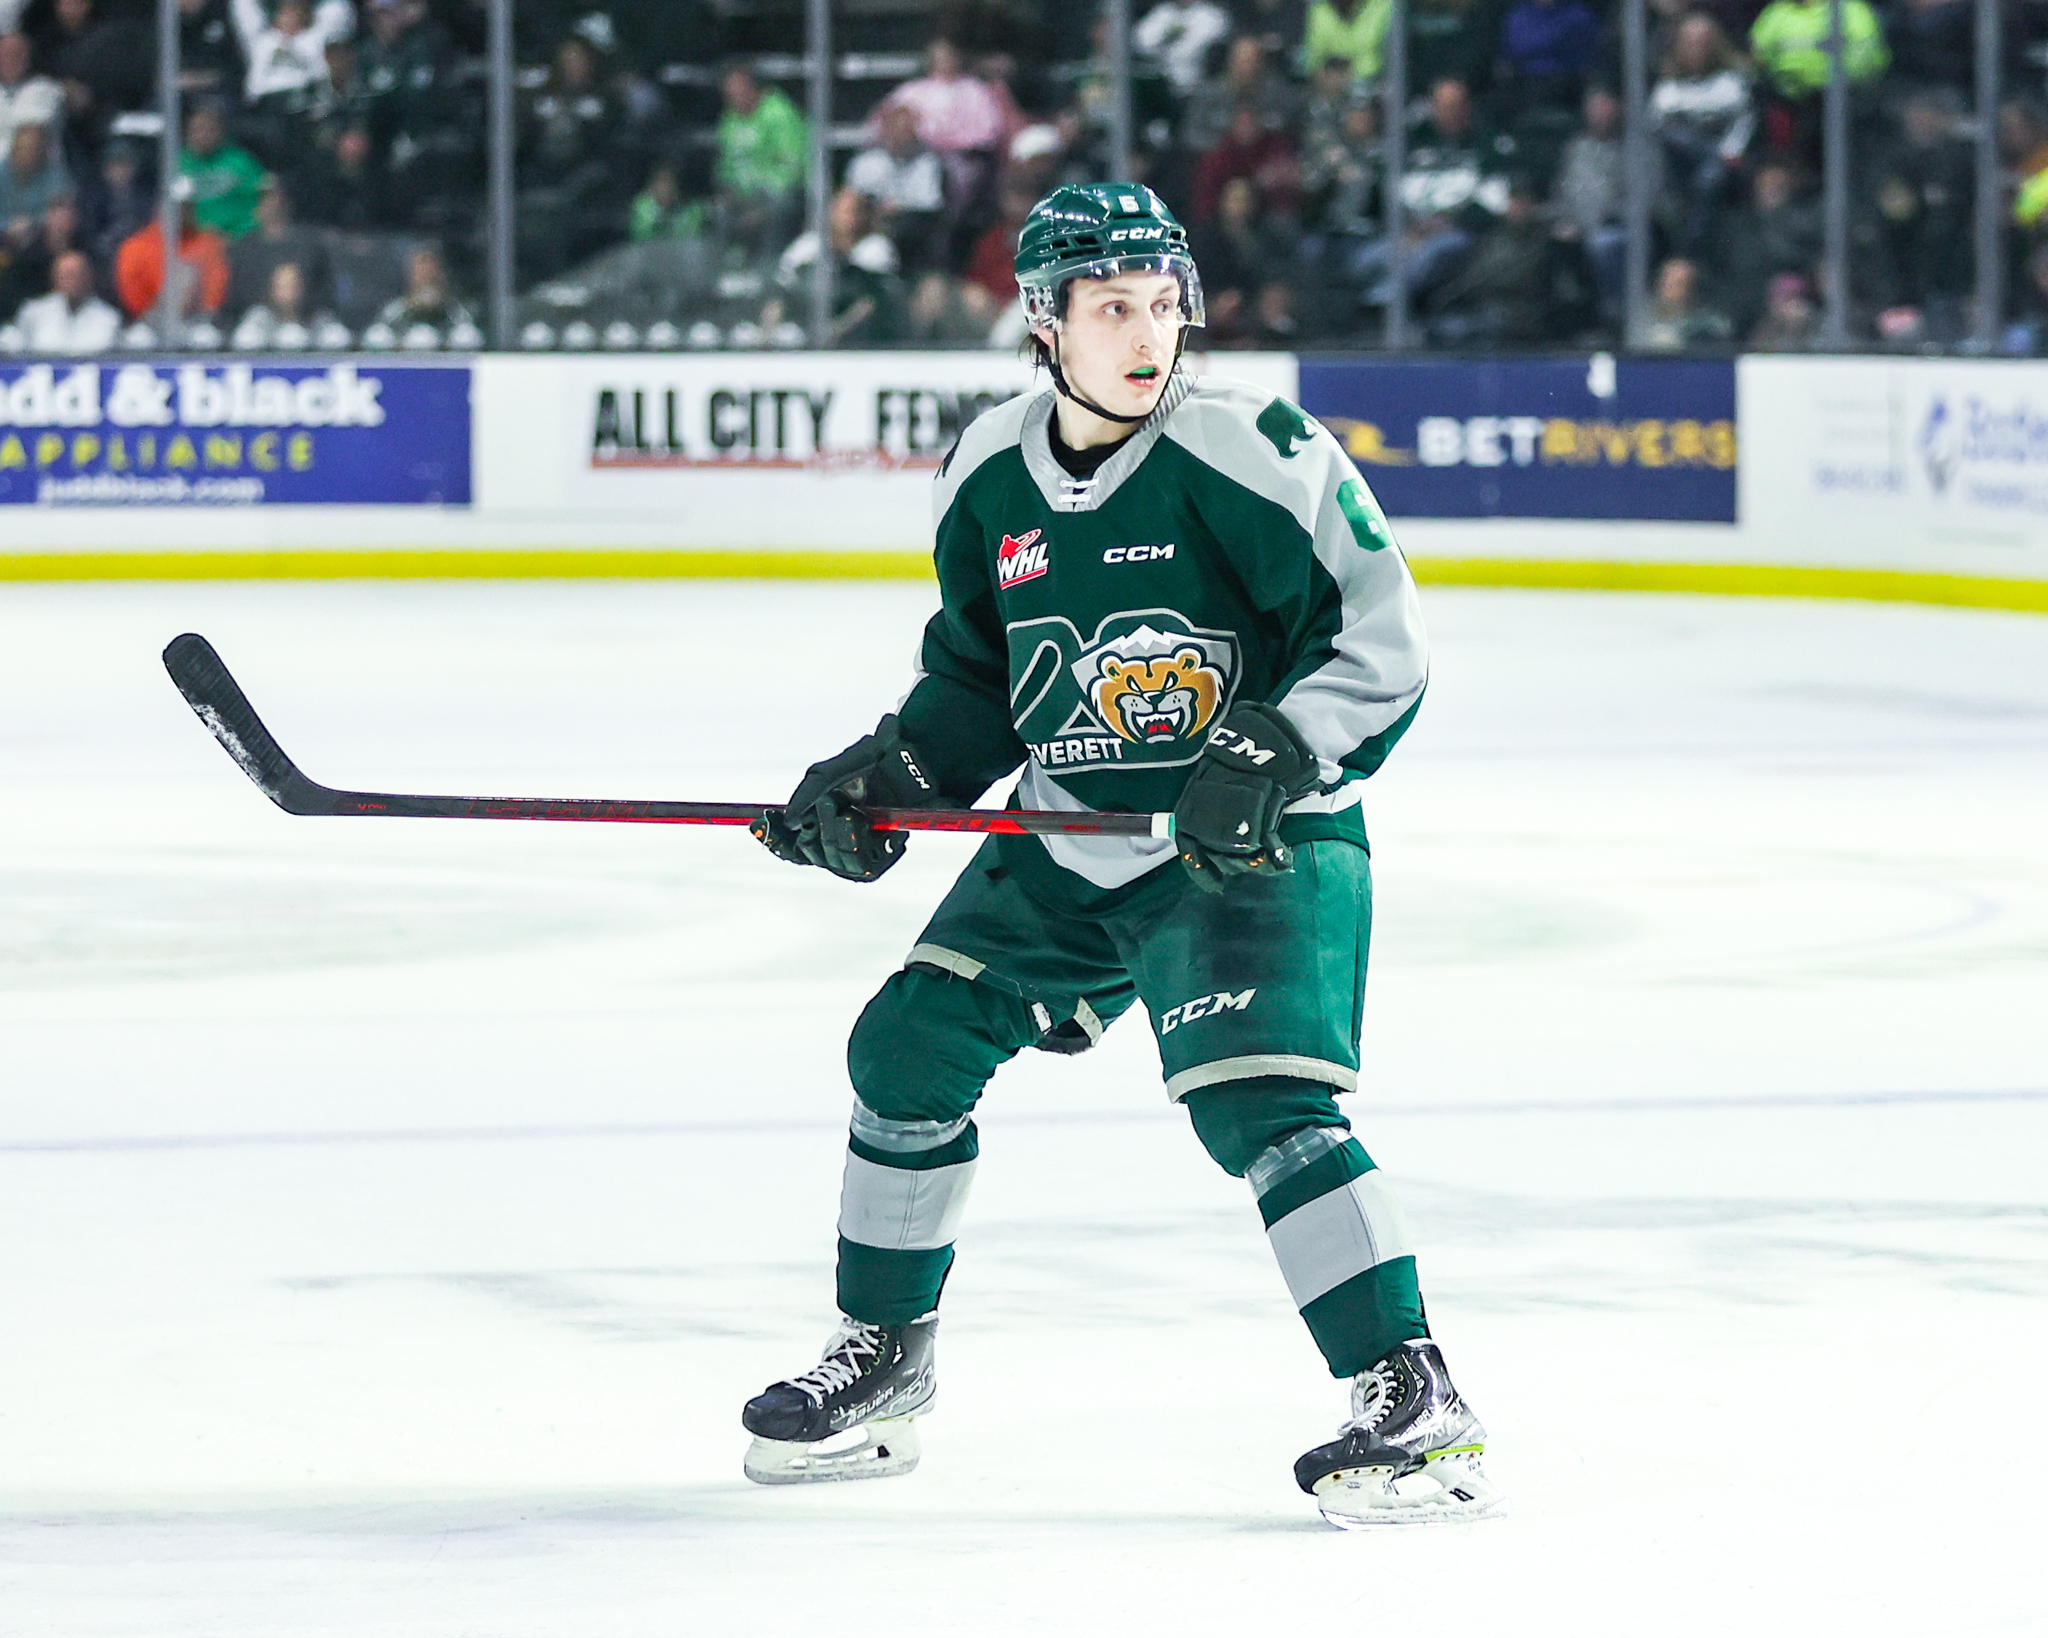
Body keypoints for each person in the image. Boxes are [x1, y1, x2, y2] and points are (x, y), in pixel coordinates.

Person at [740, 181, 1503, 1532]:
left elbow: (1383, 641)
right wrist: (891, 779)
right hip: (1072, 832)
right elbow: (980, 678)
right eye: (1111, 307)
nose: (1148, 333)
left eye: (1163, 302)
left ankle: (1413, 1391)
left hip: (1254, 837)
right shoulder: (987, 473)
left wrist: (1274, 750)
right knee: (904, 1049)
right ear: (1046, 323)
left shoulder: (1250, 447)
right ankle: (886, 1360)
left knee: (1259, 1105)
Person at [1648, 12, 1751, 254]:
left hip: (1721, 167)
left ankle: (1692, 248)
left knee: (1710, 175)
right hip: (1675, 168)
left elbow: (1743, 126)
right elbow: (1654, 131)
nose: (1697, 49)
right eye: (1690, 42)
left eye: (1703, 42)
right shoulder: (1667, 89)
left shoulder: (1731, 84)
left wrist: (1731, 150)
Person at [113, 178, 231, 317]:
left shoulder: (208, 244)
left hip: (198, 321)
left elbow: (216, 290)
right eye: (174, 206)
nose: (181, 211)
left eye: (186, 206)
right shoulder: (135, 247)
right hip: (150, 322)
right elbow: (133, 298)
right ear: (161, 206)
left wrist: (202, 308)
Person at [179, 99, 267, 238]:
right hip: (194, 242)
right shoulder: (180, 164)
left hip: (239, 239)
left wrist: (237, 233)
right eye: (196, 130)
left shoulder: (240, 162)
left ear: (220, 131)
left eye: (208, 130)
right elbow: (175, 209)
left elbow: (261, 202)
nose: (201, 136)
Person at [17, 242, 121, 347]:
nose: (71, 282)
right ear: (55, 278)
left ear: (89, 277)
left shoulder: (109, 318)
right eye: (65, 276)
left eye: (76, 275)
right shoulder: (34, 313)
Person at [0, 30, 61, 152]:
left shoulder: (45, 89)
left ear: (28, 58)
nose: (10, 60)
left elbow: (29, 144)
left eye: (16, 55)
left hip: (33, 168)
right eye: (5, 55)